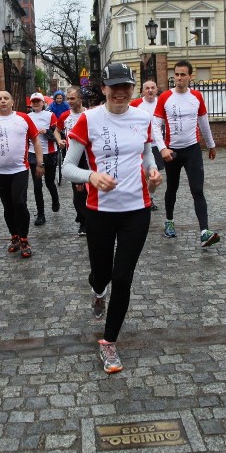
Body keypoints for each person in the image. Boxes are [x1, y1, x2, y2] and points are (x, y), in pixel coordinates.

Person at [63, 63, 162, 374]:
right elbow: (67, 168)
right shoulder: (88, 120)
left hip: (136, 210)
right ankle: (97, 291)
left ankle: (109, 342)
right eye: (114, 86)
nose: (121, 92)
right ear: (103, 88)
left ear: (133, 89)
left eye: (126, 86)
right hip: (100, 212)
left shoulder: (142, 118)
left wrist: (152, 173)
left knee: (123, 277)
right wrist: (92, 176)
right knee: (102, 274)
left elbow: (146, 155)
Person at [152, 60, 220, 247]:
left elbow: (204, 123)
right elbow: (156, 126)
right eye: (177, 74)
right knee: (171, 188)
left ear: (190, 76)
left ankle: (204, 231)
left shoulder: (197, 96)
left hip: (192, 149)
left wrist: (211, 145)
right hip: (171, 151)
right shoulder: (165, 97)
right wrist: (162, 148)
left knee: (197, 189)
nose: (179, 78)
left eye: (183, 74)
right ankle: (169, 221)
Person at [0, 90, 44, 258]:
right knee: (7, 205)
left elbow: (36, 140)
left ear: (12, 102)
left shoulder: (23, 118)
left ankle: (24, 238)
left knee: (19, 202)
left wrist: (40, 163)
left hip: (20, 169)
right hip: (0, 171)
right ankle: (14, 236)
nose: (3, 101)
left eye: (6, 98)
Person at [54, 85, 89, 235]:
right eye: (68, 99)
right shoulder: (64, 116)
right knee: (78, 191)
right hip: (73, 157)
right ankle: (83, 221)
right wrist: (59, 140)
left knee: (92, 189)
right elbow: (56, 130)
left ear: (80, 99)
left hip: (89, 156)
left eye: (73, 98)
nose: (69, 101)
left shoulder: (90, 114)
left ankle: (93, 218)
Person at [27, 92, 60, 226]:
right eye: (33, 101)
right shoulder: (27, 117)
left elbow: (57, 134)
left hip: (50, 152)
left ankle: (55, 199)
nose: (36, 104)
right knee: (37, 185)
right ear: (31, 104)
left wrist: (47, 132)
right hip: (33, 153)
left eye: (38, 101)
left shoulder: (50, 115)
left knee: (49, 182)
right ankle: (41, 214)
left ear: (43, 103)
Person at [130, 79, 164, 210]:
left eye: (152, 88)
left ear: (156, 89)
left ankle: (150, 198)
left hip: (156, 145)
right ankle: (141, 197)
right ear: (143, 91)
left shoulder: (161, 103)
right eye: (147, 88)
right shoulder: (136, 104)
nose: (150, 90)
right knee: (142, 173)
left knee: (154, 174)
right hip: (141, 145)